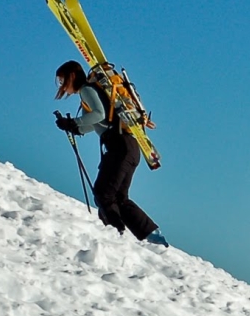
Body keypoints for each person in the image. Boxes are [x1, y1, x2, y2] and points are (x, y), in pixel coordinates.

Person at [54, 60, 167, 246]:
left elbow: (99, 115)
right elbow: (98, 122)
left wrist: (74, 123)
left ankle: (116, 237)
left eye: (61, 81)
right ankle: (154, 237)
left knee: (103, 193)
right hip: (130, 147)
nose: (62, 87)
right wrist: (75, 128)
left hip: (119, 147)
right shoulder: (90, 92)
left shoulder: (86, 90)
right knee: (119, 198)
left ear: (71, 76)